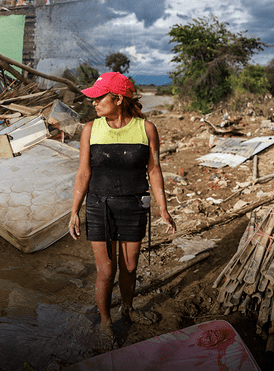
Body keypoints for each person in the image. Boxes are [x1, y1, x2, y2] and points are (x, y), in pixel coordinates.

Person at [69, 72, 176, 340]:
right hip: (99, 206)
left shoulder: (146, 128)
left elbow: (154, 170)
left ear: (118, 99)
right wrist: (74, 212)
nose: (93, 103)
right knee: (106, 270)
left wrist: (163, 208)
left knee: (129, 267)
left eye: (98, 97)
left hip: (134, 206)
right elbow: (84, 173)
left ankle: (127, 309)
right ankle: (106, 321)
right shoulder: (90, 129)